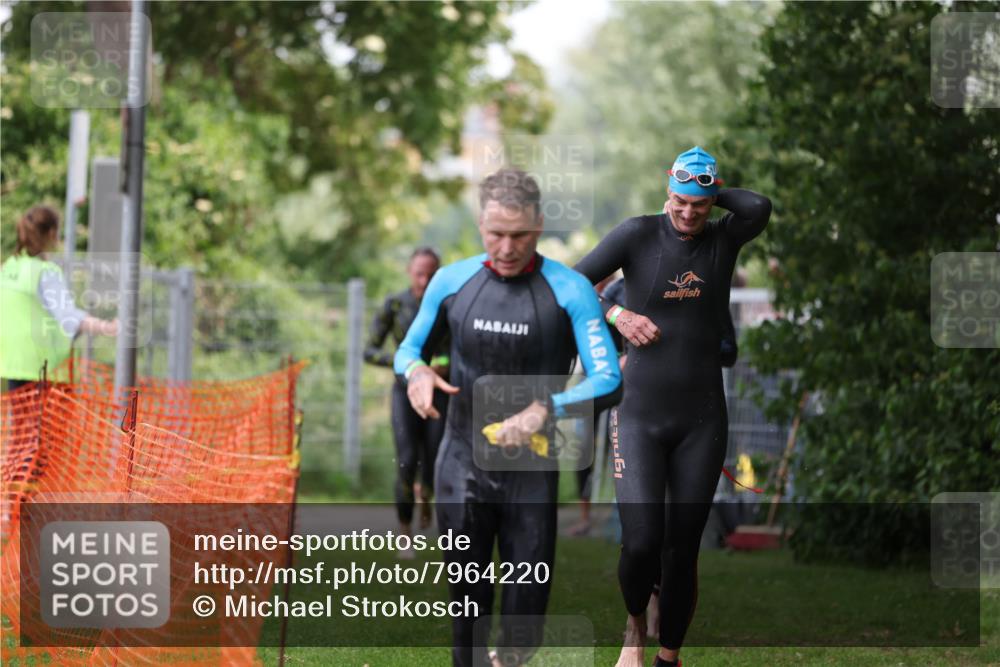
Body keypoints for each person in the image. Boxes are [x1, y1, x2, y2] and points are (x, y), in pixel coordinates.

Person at [395, 168, 623, 667]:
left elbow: (609, 381)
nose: (506, 247)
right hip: (461, 467)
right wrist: (416, 373)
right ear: (481, 224)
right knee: (468, 609)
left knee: (525, 617)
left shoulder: (571, 289)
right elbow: (408, 349)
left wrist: (549, 407)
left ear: (539, 225)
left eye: (519, 235)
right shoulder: (451, 281)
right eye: (496, 234)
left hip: (531, 473)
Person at [574, 147, 771, 667]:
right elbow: (570, 284)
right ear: (668, 192)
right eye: (681, 201)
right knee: (641, 542)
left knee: (682, 550)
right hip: (637, 412)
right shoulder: (638, 234)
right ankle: (634, 627)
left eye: (700, 206)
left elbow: (759, 206)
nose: (688, 214)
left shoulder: (724, 239)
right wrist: (617, 314)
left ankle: (668, 656)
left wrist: (711, 188)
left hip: (701, 418)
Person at [364, 247, 449, 553]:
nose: (424, 281)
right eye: (419, 274)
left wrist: (442, 363)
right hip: (405, 391)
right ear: (409, 272)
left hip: (441, 393)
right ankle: (404, 533)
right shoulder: (395, 303)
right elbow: (369, 352)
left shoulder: (447, 304)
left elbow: (458, 349)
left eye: (431, 274)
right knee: (406, 460)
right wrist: (408, 365)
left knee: (436, 461)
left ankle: (425, 495)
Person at [1, 205, 118, 392]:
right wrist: (108, 327)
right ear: (52, 233)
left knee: (21, 422)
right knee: (46, 422)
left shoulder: (9, 267)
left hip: (14, 365)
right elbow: (68, 317)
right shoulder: (45, 272)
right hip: (46, 369)